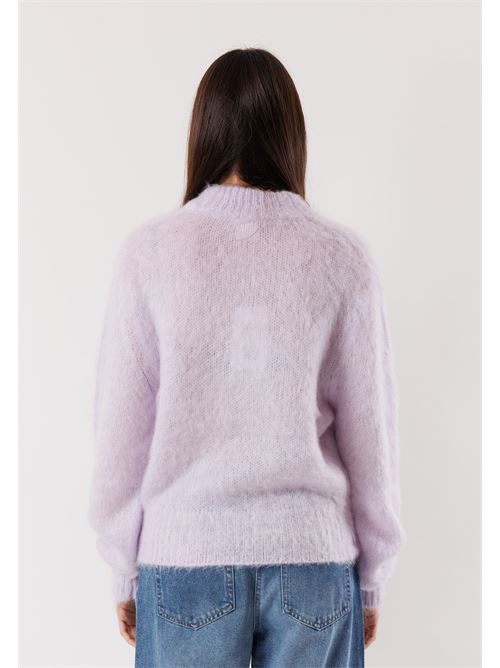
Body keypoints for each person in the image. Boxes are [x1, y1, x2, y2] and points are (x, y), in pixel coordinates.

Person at [88, 47, 406, 668]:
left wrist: (122, 567)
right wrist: (373, 577)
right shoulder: (342, 258)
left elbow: (120, 431)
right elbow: (373, 433)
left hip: (184, 560)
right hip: (314, 564)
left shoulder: (149, 254)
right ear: (291, 135)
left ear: (203, 132)